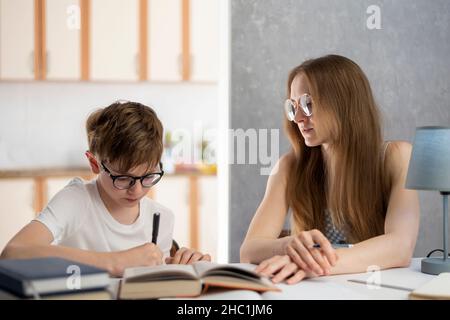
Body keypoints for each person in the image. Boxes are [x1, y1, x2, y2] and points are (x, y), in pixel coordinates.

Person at [240, 55, 420, 284]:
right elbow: (250, 249)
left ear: (343, 102)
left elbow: (400, 246)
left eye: (308, 104)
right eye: (293, 107)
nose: (297, 118)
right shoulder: (289, 167)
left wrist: (313, 263)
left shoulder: (397, 157)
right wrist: (287, 246)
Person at [1, 101, 210, 277]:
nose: (136, 190)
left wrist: (186, 266)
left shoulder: (162, 218)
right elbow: (12, 253)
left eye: (147, 176)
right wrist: (116, 262)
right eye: (123, 178)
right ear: (95, 164)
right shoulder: (77, 200)